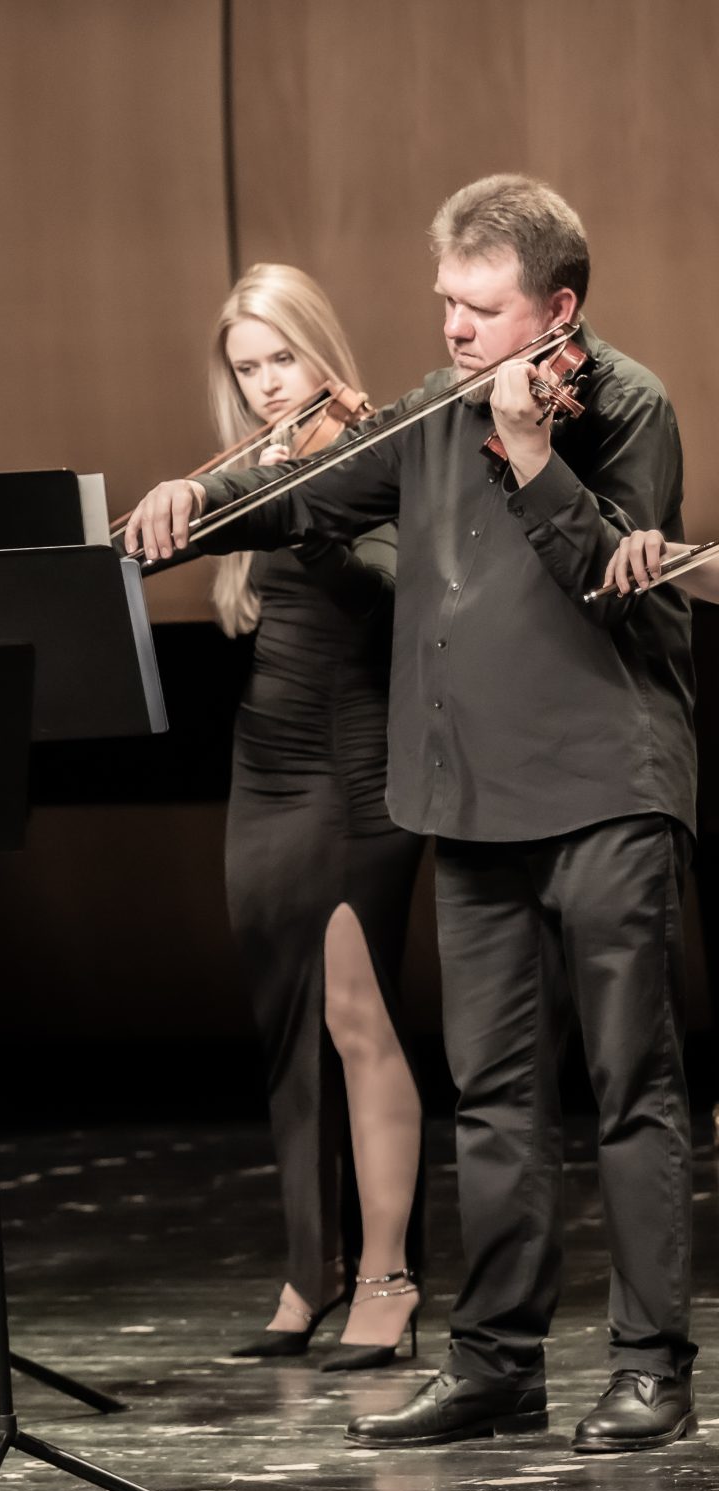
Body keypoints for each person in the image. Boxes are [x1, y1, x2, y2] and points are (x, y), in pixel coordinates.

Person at [125, 176, 695, 1454]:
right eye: (444, 301)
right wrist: (197, 505)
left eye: (478, 309)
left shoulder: (627, 407)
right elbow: (311, 493)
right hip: (474, 800)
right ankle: (496, 1364)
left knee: (628, 1087)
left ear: (557, 310)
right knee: (491, 1095)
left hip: (606, 792)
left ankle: (651, 1366)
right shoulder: (436, 409)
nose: (451, 328)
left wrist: (533, 455)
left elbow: (611, 583)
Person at [193, 266, 428, 1370]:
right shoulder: (254, 469)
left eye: (282, 358)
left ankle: (389, 1274)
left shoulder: (375, 453)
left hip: (352, 764)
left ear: (320, 348)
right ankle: (311, 1265)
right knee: (286, 1022)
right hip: (266, 765)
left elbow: (391, 581)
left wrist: (309, 505)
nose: (267, 385)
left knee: (355, 1015)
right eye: (247, 370)